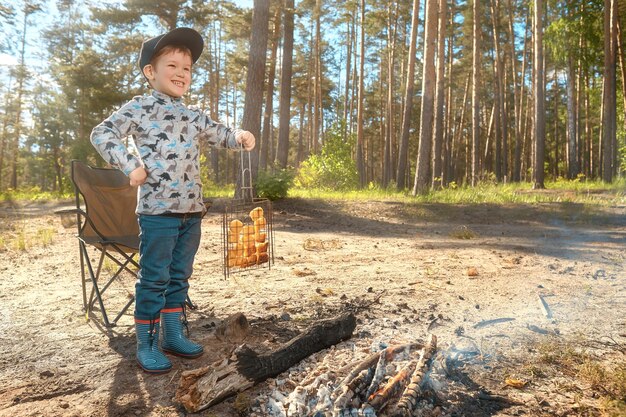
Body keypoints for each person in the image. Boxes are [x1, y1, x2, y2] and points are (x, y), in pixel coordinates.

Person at [90, 27, 255, 374]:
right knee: (154, 278)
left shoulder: (193, 115)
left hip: (191, 212)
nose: (182, 73)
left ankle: (172, 333)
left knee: (180, 276)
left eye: (188, 68)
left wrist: (239, 136)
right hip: (157, 213)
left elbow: (219, 133)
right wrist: (130, 165)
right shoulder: (140, 107)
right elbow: (101, 133)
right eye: (173, 66)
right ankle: (146, 343)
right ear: (150, 72)